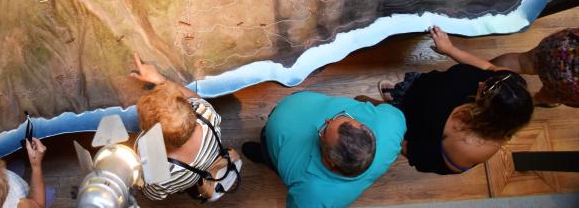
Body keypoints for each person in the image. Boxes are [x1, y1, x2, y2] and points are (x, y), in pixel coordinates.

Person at [372, 26, 534, 175]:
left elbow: (418, 154)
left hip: (408, 122)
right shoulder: (510, 83)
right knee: (402, 95)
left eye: (484, 90)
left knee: (373, 110)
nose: (480, 82)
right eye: (488, 81)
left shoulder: (468, 146)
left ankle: (385, 109)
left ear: (488, 113)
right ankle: (396, 96)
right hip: (420, 91)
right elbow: (489, 68)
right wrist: (450, 49)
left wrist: (391, 130)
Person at [241, 91, 404, 208]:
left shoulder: (312, 198)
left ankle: (266, 156)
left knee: (269, 154)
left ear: (330, 162)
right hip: (297, 107)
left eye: (323, 132)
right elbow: (385, 109)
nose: (327, 120)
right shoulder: (392, 123)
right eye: (341, 117)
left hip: (273, 141)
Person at [130, 53, 241, 203]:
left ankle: (192, 184)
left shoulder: (158, 172)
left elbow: (152, 194)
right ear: (190, 109)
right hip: (206, 160)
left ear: (151, 135)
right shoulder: (206, 115)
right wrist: (161, 80)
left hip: (183, 178)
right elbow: (195, 98)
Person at [490, 27, 578, 107]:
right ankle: (536, 100)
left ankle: (487, 71)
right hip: (571, 84)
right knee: (551, 95)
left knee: (520, 62)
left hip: (565, 47)